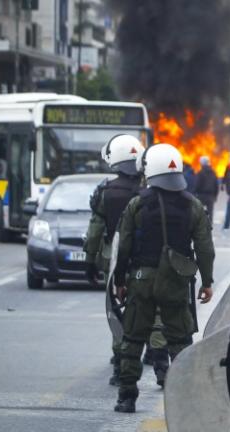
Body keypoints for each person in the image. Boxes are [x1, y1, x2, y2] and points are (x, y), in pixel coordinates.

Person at [112, 143, 215, 413]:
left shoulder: (137, 204)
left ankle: (126, 397)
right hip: (176, 282)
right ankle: (185, 400)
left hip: (141, 280)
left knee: (133, 338)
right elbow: (205, 248)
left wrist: (120, 281)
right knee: (180, 339)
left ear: (150, 170)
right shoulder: (193, 205)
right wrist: (207, 281)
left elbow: (124, 246)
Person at [83, 135, 169, 387]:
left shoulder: (105, 192)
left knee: (119, 312)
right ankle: (160, 363)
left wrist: (89, 260)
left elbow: (95, 230)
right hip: (148, 262)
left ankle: (121, 365)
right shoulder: (151, 192)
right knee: (155, 313)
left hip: (115, 262)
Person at [194, 155, 219, 222]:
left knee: (200, 211)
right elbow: (216, 185)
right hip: (211, 195)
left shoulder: (200, 173)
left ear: (201, 163)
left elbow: (197, 184)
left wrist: (195, 193)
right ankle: (210, 224)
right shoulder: (213, 172)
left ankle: (200, 224)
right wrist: (215, 196)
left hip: (201, 195)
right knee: (210, 211)